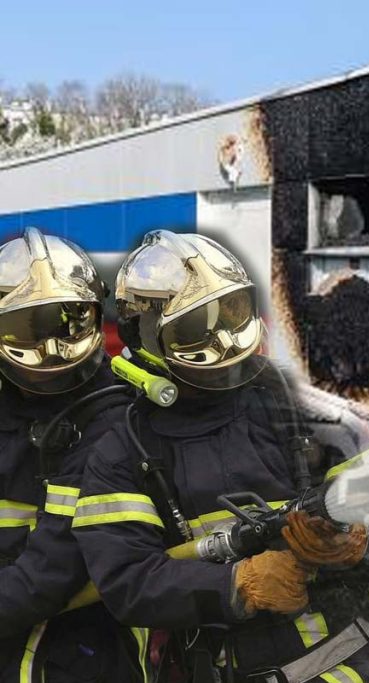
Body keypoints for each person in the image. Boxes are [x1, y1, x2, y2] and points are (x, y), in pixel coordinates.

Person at [71, 230, 369, 682]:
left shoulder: (292, 408)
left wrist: (358, 541)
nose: (221, 340)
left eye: (229, 314)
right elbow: (127, 582)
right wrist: (235, 585)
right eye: (196, 327)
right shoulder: (124, 450)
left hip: (359, 654)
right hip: (233, 665)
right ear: (147, 338)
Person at [0, 227, 148, 682]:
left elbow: (51, 572)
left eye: (67, 321)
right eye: (28, 326)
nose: (52, 348)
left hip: (78, 649)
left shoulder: (112, 421)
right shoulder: (10, 400)